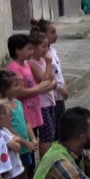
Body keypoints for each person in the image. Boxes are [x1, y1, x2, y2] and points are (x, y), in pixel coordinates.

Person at [0, 70, 38, 179]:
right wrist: (25, 142)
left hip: (24, 146)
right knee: (11, 176)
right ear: (5, 89)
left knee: (23, 171)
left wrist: (33, 138)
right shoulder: (1, 108)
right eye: (16, 85)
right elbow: (8, 128)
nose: (20, 87)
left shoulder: (18, 102)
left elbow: (26, 122)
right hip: (13, 147)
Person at [32, 19, 68, 138]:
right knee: (54, 133)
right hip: (53, 96)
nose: (55, 35)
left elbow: (58, 73)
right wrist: (58, 88)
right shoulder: (42, 57)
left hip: (57, 96)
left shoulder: (53, 52)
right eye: (52, 32)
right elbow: (46, 78)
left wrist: (64, 86)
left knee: (61, 129)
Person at [28, 30, 57, 158]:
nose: (46, 50)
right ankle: (44, 163)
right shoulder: (32, 63)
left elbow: (51, 79)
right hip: (41, 104)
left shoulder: (43, 61)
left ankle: (49, 161)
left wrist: (53, 82)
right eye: (43, 47)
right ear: (34, 48)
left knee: (51, 134)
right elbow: (43, 80)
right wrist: (49, 64)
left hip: (49, 100)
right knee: (46, 135)